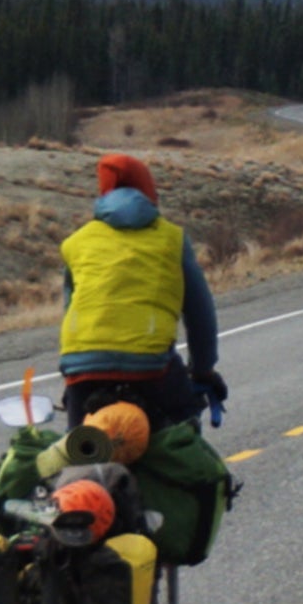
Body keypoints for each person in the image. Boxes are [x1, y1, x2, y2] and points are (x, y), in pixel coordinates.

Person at [58, 152, 228, 431]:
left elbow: (71, 311)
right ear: (149, 190)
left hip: (82, 368)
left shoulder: (76, 242)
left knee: (79, 449)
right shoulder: (172, 239)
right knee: (183, 425)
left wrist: (76, 367)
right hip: (151, 367)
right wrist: (203, 369)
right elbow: (200, 314)